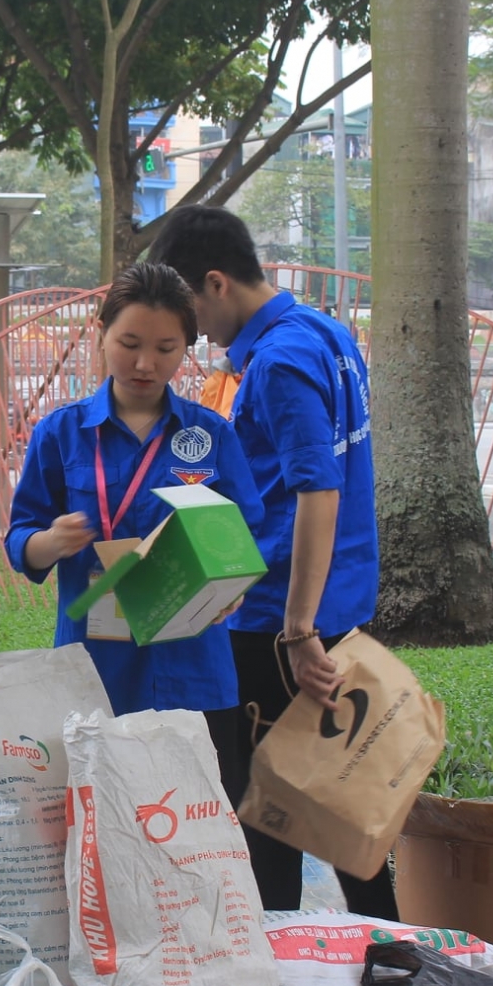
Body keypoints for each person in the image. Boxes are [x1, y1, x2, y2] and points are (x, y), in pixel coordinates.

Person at [151, 206, 394, 917]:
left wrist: (296, 628)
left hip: (280, 623)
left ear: (216, 284)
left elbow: (317, 487)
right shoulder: (324, 332)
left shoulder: (279, 362)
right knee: (351, 814)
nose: (191, 334)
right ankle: (391, 967)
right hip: (339, 603)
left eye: (188, 312)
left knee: (268, 822)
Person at [6, 263, 262, 751]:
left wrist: (234, 585)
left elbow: (246, 528)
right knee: (102, 817)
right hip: (94, 667)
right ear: (101, 335)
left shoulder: (210, 436)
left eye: (166, 349)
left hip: (193, 671)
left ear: (186, 348)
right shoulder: (61, 435)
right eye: (130, 344)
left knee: (196, 819)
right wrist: (50, 542)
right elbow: (20, 540)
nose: (146, 364)